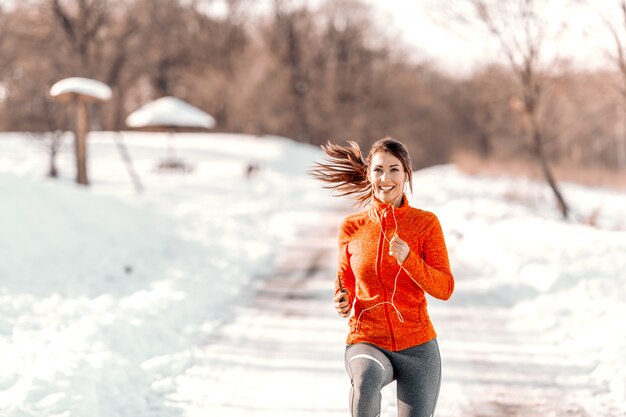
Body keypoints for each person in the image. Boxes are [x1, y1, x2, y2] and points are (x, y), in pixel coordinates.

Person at [311, 137, 454, 417]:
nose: (385, 178)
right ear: (368, 175)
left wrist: (409, 259)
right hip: (367, 339)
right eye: (378, 170)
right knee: (364, 383)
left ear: (406, 175)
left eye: (394, 169)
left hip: (418, 347)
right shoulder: (353, 227)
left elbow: (445, 288)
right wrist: (343, 298)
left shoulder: (425, 224)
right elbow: (345, 279)